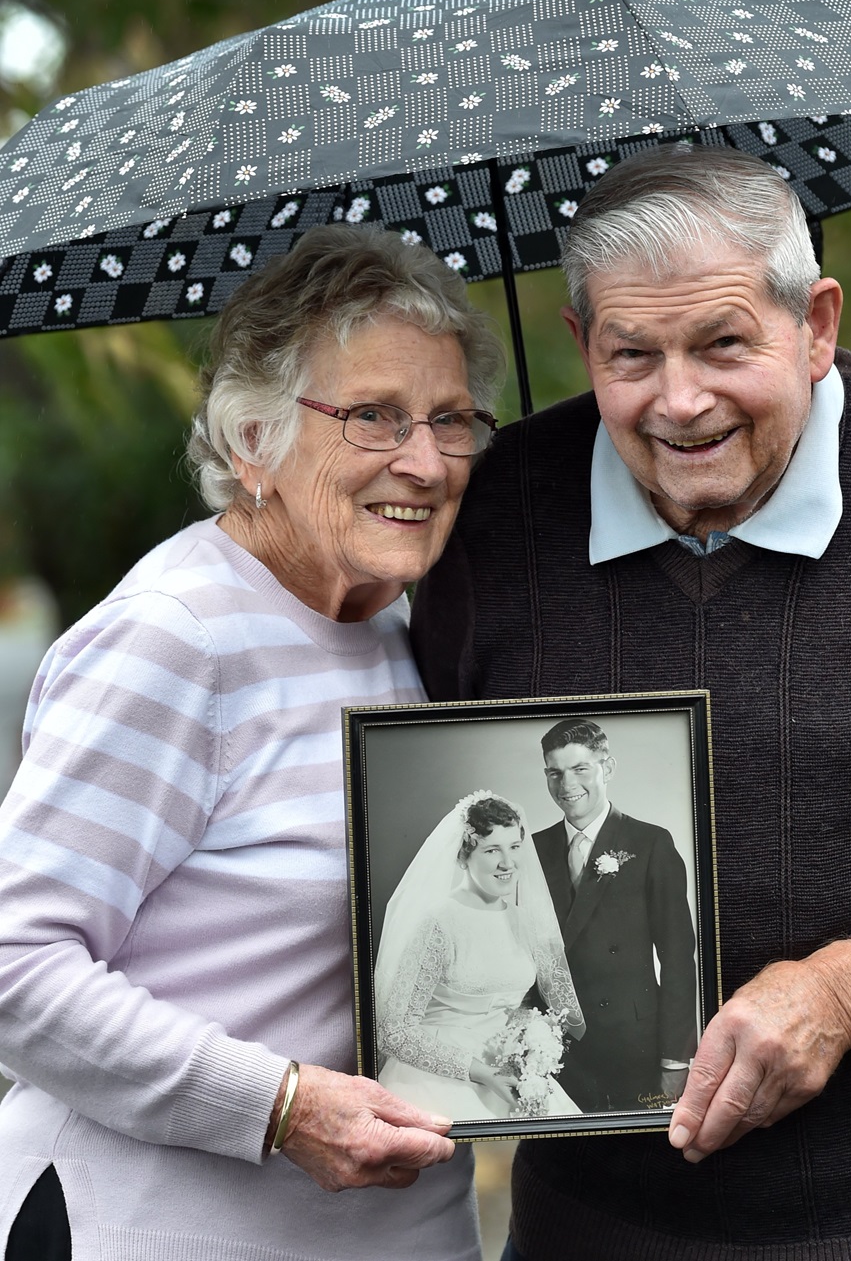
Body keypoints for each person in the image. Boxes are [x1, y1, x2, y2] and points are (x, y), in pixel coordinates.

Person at [410, 142, 851, 1261]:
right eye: (632, 355)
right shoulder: (492, 522)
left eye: (722, 344)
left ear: (815, 323)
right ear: (580, 344)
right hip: (598, 1231)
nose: (678, 401)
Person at [0, 223, 506, 1261]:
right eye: (373, 415)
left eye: (451, 419)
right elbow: (15, 964)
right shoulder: (174, 638)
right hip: (156, 1228)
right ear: (252, 444)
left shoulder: (398, 629)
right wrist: (277, 1105)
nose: (423, 459)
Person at [375, 792, 584, 1121]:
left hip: (510, 1069)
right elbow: (395, 1032)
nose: (508, 863)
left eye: (515, 847)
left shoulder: (524, 920)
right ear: (463, 856)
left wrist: (530, 1042)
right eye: (492, 850)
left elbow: (522, 1005)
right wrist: (482, 1073)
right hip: (436, 1079)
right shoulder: (438, 923)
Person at [532, 718, 696, 1112]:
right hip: (557, 1046)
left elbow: (677, 958)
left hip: (635, 1043)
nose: (567, 784)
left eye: (580, 769)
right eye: (555, 772)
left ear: (608, 768)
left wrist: (675, 1059)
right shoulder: (532, 849)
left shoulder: (651, 842)